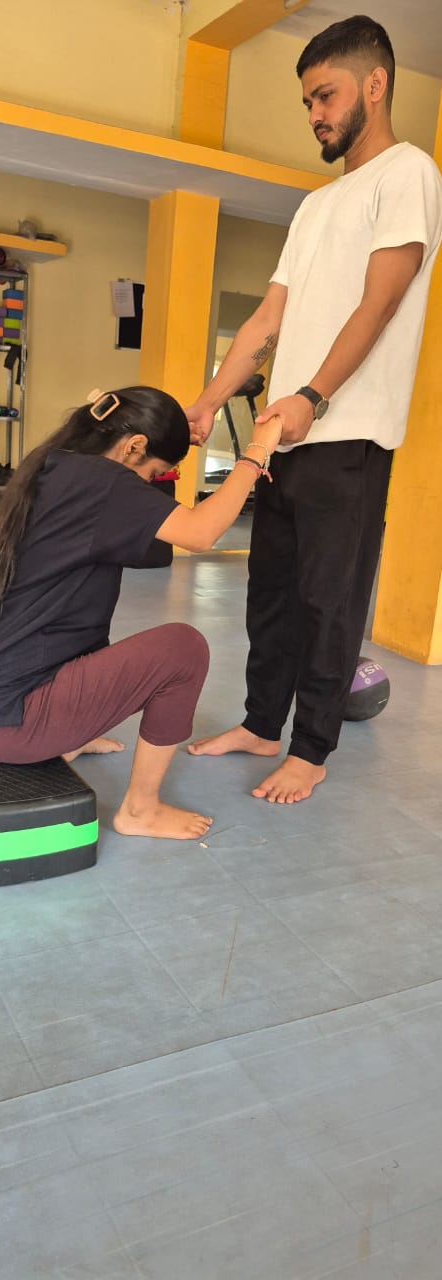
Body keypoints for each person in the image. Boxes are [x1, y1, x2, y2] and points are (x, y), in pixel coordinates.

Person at [187, 14, 442, 804]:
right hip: (283, 440)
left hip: (347, 438)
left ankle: (310, 748)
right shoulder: (313, 205)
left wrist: (309, 397)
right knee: (270, 595)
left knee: (329, 602)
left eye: (323, 95)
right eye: (306, 102)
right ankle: (263, 723)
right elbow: (267, 319)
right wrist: (207, 399)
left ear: (375, 84)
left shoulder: (409, 173)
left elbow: (379, 300)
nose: (314, 116)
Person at [0, 385, 281, 840]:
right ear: (133, 446)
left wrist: (169, 434)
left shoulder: (56, 464)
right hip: (11, 725)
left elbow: (155, 551)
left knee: (84, 626)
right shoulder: (102, 483)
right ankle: (140, 810)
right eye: (155, 471)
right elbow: (201, 533)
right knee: (183, 648)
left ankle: (71, 734)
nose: (149, 482)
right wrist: (257, 452)